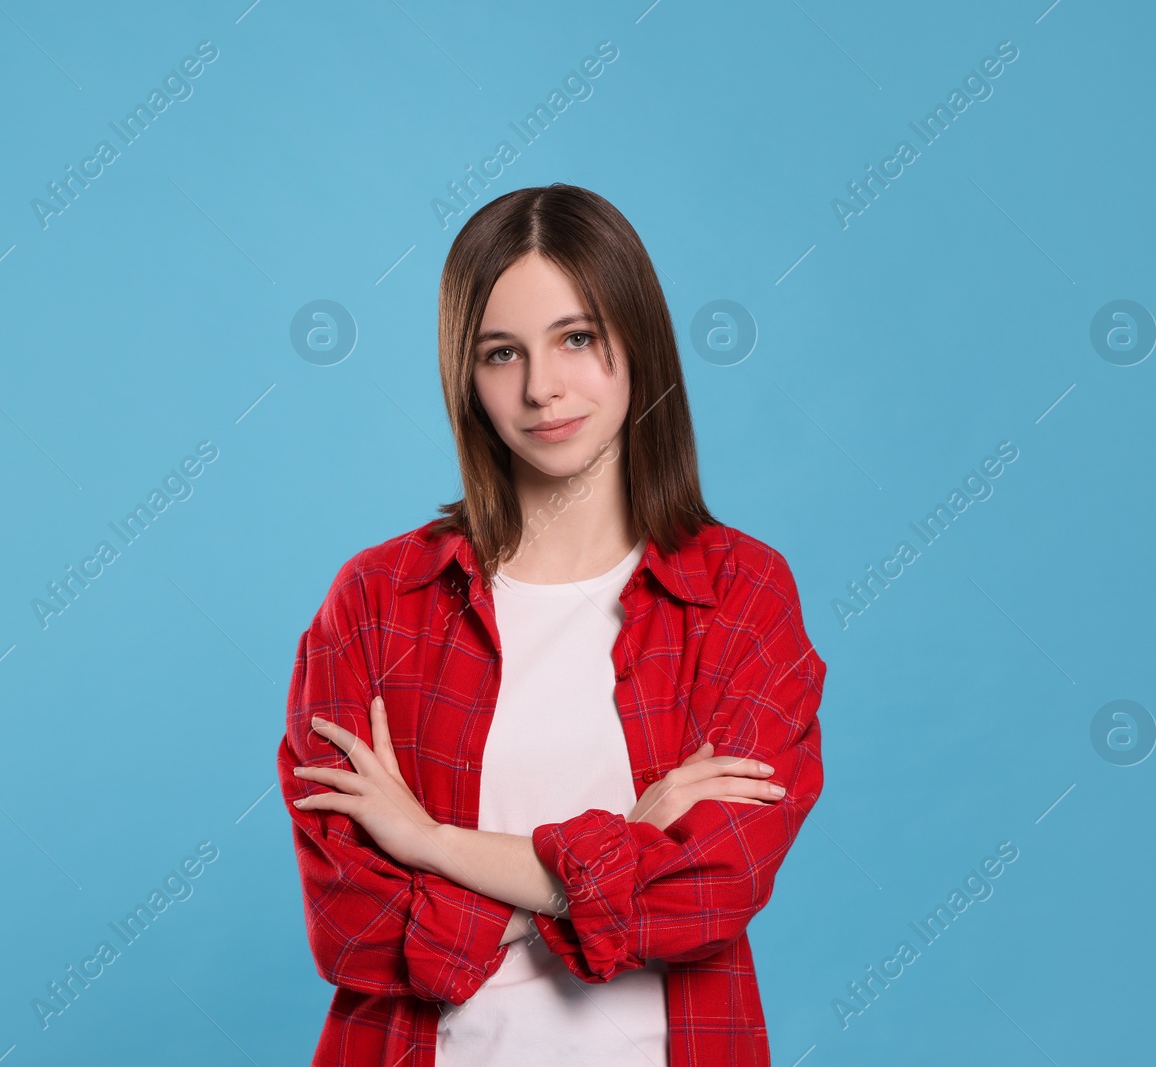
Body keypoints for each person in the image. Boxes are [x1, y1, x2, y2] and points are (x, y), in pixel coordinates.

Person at [278, 184, 827, 1067]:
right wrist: (620, 853)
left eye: (576, 337)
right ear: (468, 376)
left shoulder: (741, 595)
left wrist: (430, 844)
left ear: (637, 342)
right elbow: (354, 924)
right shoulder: (378, 600)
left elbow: (709, 893)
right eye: (502, 353)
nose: (542, 388)